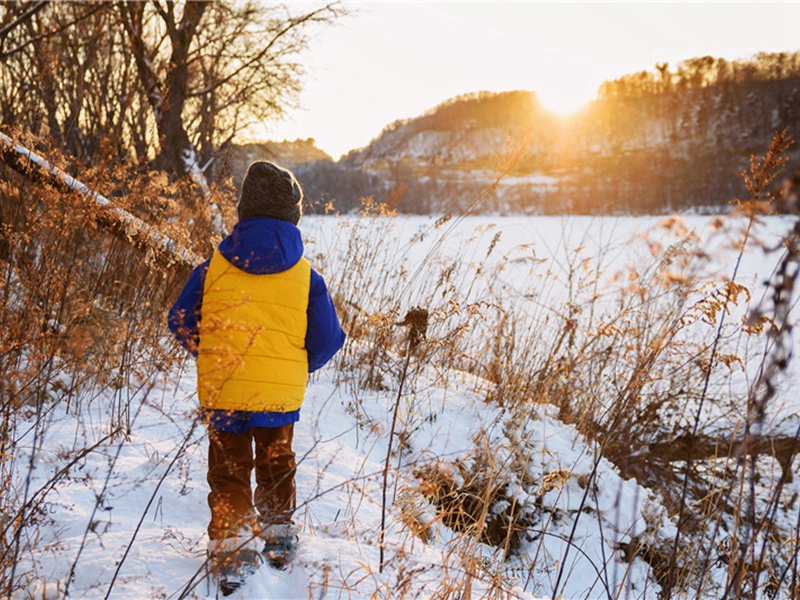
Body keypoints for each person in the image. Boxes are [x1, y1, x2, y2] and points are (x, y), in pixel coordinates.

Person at [167, 161, 345, 589]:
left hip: (224, 385)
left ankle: (231, 552)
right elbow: (328, 339)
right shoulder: (307, 276)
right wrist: (298, 367)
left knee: (229, 471)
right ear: (293, 217)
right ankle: (279, 538)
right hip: (276, 395)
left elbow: (180, 319)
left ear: (244, 212)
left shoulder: (214, 265)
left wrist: (209, 351)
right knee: (276, 462)